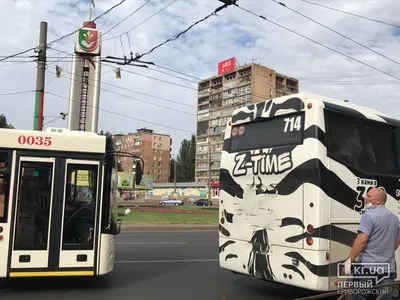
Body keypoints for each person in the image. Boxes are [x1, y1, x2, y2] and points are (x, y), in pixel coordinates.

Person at [344, 187, 400, 299]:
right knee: (384, 297)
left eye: (369, 196)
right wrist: (385, 252)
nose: (365, 198)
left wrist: (349, 260)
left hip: (367, 268)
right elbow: (398, 240)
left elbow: (362, 240)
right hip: (388, 268)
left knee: (361, 296)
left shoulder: (369, 215)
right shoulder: (394, 218)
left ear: (377, 201)